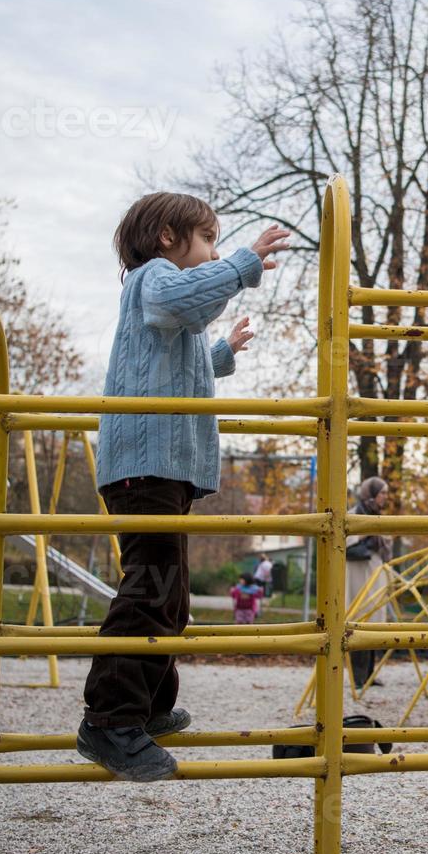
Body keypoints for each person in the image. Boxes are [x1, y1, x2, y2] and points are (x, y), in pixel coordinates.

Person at [76, 191, 290, 782]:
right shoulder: (154, 279)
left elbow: (182, 359)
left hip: (163, 468)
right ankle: (109, 719)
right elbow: (184, 302)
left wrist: (223, 353)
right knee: (150, 587)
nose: (215, 252)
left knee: (170, 591)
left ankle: (148, 707)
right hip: (143, 465)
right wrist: (244, 263)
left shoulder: (170, 302)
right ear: (170, 236)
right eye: (209, 240)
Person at [346, 476, 394, 688]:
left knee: (374, 622)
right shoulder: (356, 514)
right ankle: (358, 677)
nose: (385, 497)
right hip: (359, 574)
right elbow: (347, 540)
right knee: (360, 621)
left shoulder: (377, 515)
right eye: (382, 492)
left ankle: (369, 674)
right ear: (371, 493)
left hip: (374, 573)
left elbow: (383, 540)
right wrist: (368, 534)